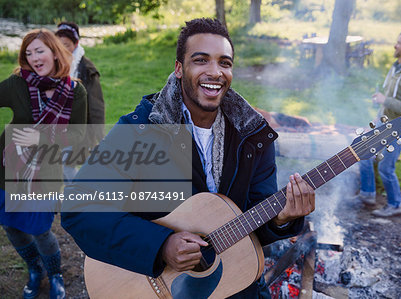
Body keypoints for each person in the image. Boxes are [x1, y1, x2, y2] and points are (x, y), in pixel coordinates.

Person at [61, 18, 315, 298]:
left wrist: (281, 219)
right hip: (154, 282)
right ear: (179, 69)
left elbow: (253, 226)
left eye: (225, 63)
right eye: (201, 60)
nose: (215, 72)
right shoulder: (142, 130)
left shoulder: (252, 136)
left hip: (232, 283)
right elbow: (79, 208)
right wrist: (161, 246)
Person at [0, 28, 87, 298]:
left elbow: (79, 136)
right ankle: (35, 270)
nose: (34, 57)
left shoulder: (75, 91)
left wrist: (40, 136)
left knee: (40, 230)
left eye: (39, 50)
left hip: (45, 172)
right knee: (11, 224)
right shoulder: (18, 84)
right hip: (6, 168)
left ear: (53, 51)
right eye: (28, 53)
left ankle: (55, 274)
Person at [355, 30, 401, 217]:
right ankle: (367, 195)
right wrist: (376, 118)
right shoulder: (397, 67)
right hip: (385, 123)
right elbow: (387, 98)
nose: (395, 45)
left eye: (400, 43)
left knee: (386, 167)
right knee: (363, 153)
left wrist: (385, 100)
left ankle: (395, 205)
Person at [55, 22, 105, 182]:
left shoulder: (86, 69)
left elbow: (96, 105)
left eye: (66, 45)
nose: (62, 49)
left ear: (76, 44)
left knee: (67, 168)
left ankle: (79, 199)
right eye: (58, 45)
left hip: (76, 128)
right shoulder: (53, 64)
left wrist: (99, 136)